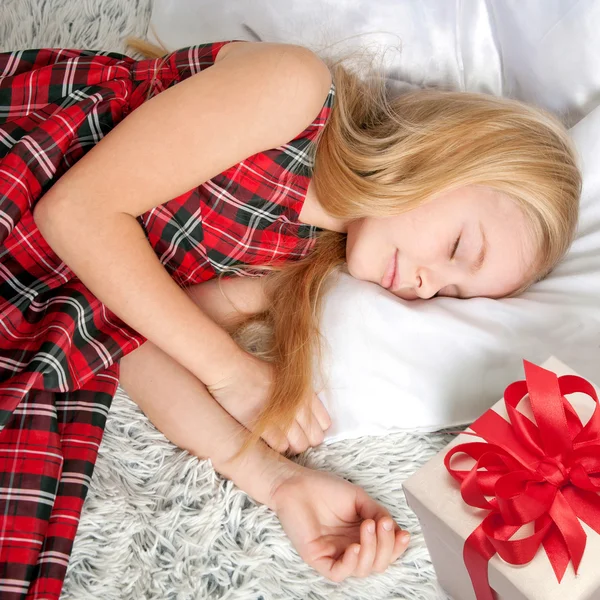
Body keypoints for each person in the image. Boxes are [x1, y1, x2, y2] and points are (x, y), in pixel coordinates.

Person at [0, 34, 580, 598]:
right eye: (457, 249)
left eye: (453, 294)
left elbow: (123, 338)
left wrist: (279, 483)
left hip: (31, 278)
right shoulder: (294, 91)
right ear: (442, 151)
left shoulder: (295, 264)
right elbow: (75, 211)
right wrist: (229, 370)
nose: (429, 285)